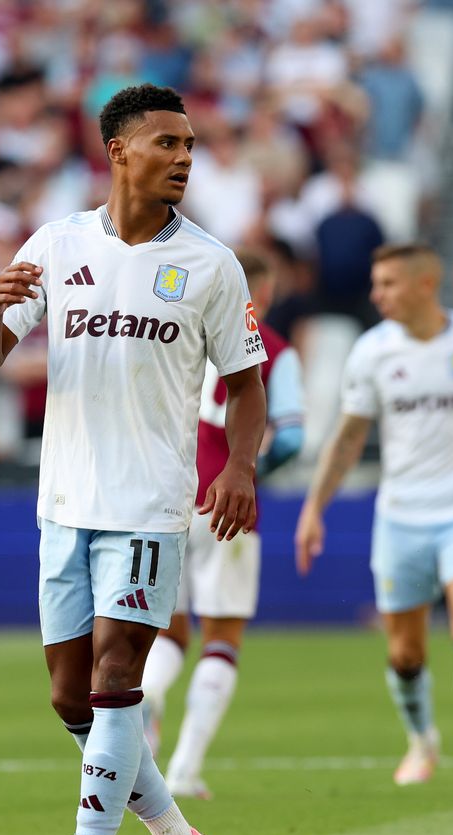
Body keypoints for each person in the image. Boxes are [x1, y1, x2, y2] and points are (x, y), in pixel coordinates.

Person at [0, 84, 267, 835]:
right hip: (63, 501)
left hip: (150, 504)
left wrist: (239, 467)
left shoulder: (209, 262)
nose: (184, 158)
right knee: (70, 698)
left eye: (191, 145)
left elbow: (246, 383)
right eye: (167, 143)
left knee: (116, 679)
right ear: (119, 152)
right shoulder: (57, 246)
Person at [295, 243, 453, 787]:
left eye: (389, 284)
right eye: (376, 285)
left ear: (427, 283)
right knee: (405, 652)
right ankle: (423, 742)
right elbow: (350, 436)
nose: (377, 295)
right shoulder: (372, 351)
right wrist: (314, 508)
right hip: (401, 516)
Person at [141, 247, 305, 798]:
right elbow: (294, 437)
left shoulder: (178, 335)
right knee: (223, 636)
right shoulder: (276, 351)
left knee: (167, 631)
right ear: (265, 292)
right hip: (226, 504)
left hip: (164, 499)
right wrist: (252, 472)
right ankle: (185, 768)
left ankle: (149, 694)